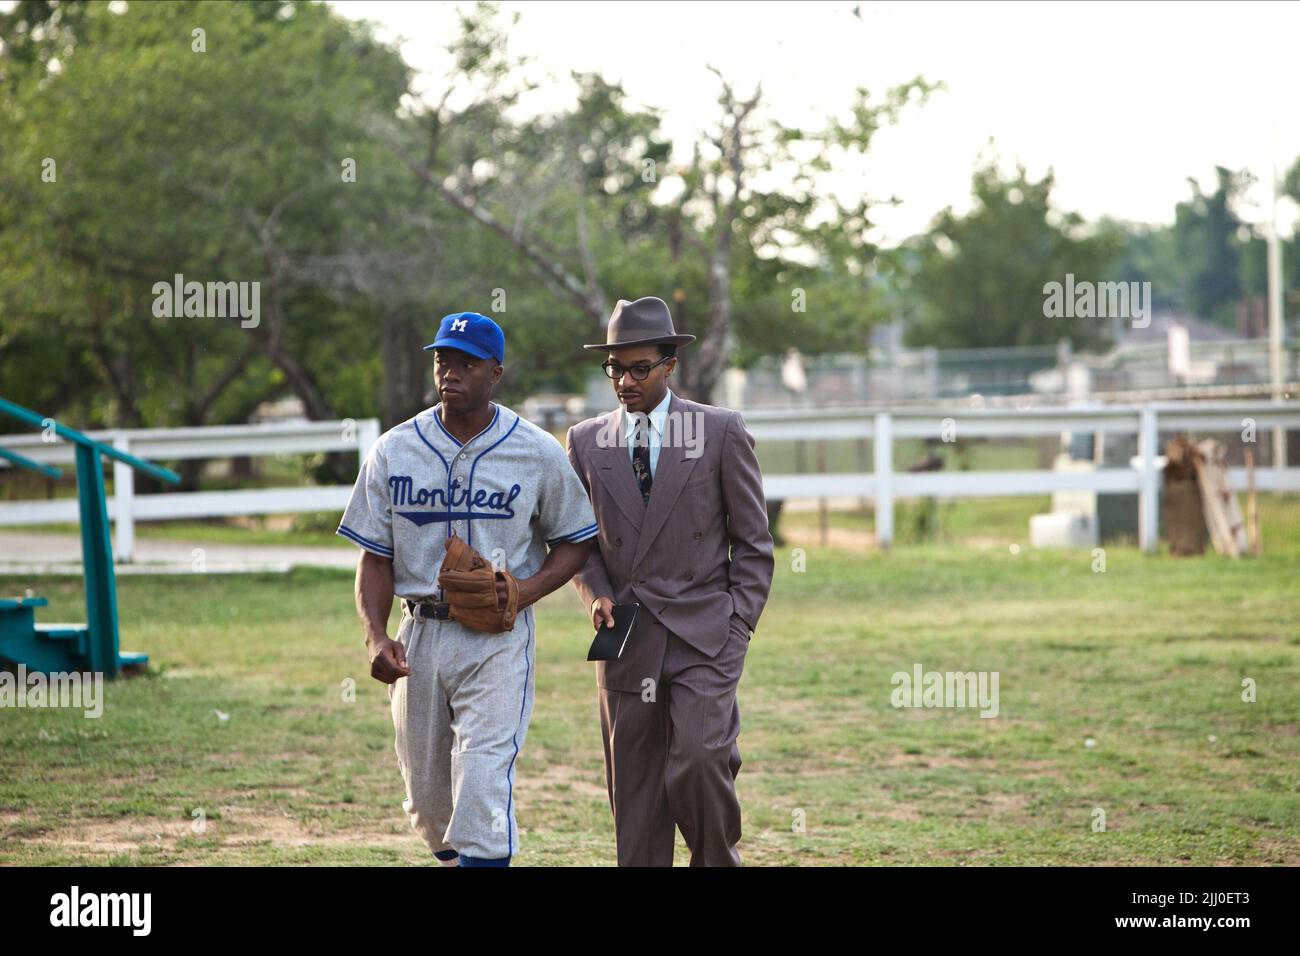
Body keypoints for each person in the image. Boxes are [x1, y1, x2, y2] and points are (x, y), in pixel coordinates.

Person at [338, 311, 598, 867]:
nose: (450, 373)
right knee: (429, 805)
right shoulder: (394, 449)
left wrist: (524, 591)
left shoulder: (535, 450)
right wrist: (374, 636)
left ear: (496, 372)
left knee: (481, 781)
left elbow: (576, 540)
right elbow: (374, 556)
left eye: (466, 363)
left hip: (498, 638)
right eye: (442, 360)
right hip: (420, 636)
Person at [565, 296, 775, 866]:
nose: (624, 382)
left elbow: (754, 543)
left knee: (701, 760)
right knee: (634, 796)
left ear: (670, 364)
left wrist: (738, 624)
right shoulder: (585, 441)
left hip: (703, 633)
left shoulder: (719, 431)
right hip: (625, 635)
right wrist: (595, 593)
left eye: (639, 368)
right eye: (614, 369)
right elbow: (578, 544)